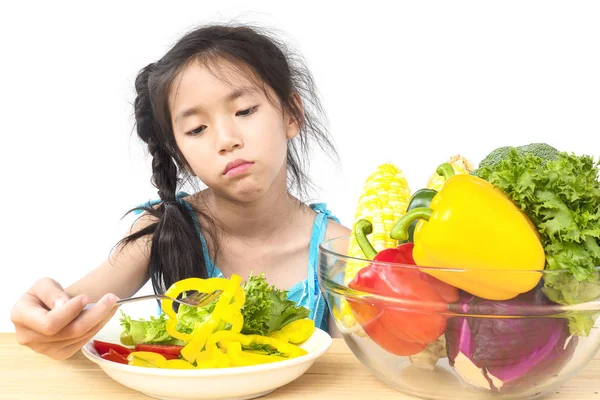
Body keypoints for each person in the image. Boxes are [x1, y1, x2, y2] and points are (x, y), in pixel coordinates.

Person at [10, 23, 349, 360]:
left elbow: (351, 374)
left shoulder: (340, 251)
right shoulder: (163, 228)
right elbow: (71, 309)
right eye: (197, 129)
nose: (226, 140)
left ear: (292, 113)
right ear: (179, 155)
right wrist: (45, 314)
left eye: (244, 111)